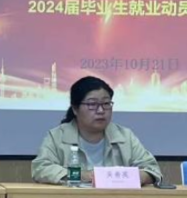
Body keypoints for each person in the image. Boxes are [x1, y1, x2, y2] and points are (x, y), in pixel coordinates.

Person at [32, 76, 161, 185]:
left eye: (106, 104)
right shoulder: (57, 136)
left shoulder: (125, 136)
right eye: (92, 104)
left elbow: (152, 170)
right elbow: (40, 169)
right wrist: (83, 176)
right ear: (75, 109)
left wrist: (128, 178)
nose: (100, 110)